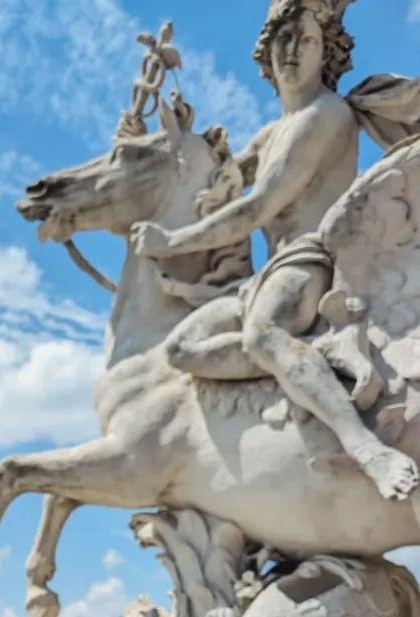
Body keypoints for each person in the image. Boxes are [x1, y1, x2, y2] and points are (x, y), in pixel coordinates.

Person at [130, 0, 420, 504]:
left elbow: (258, 207)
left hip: (309, 263)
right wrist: (166, 141)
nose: (292, 52)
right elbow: (217, 183)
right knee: (179, 350)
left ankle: (365, 448)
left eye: (306, 41)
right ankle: (312, 359)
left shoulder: (326, 114)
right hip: (264, 279)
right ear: (266, 53)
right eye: (283, 41)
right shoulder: (271, 132)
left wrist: (172, 242)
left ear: (327, 51)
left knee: (263, 335)